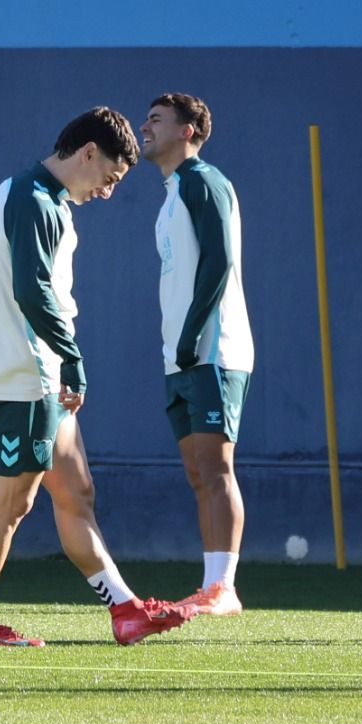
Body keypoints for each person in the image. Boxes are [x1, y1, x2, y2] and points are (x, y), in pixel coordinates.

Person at [0, 107, 194, 647]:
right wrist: (71, 356)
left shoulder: (46, 199)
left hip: (42, 375)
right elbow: (31, 288)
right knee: (11, 503)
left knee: (76, 493)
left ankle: (126, 610)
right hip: (25, 376)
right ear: (88, 152)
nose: (108, 192)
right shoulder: (30, 197)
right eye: (109, 178)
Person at [139, 93, 253, 616]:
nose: (145, 127)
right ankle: (212, 582)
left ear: (187, 131)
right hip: (181, 355)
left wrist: (191, 336)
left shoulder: (201, 181)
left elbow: (221, 261)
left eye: (157, 120)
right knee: (197, 472)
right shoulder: (171, 193)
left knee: (216, 468)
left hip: (212, 351)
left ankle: (223, 587)